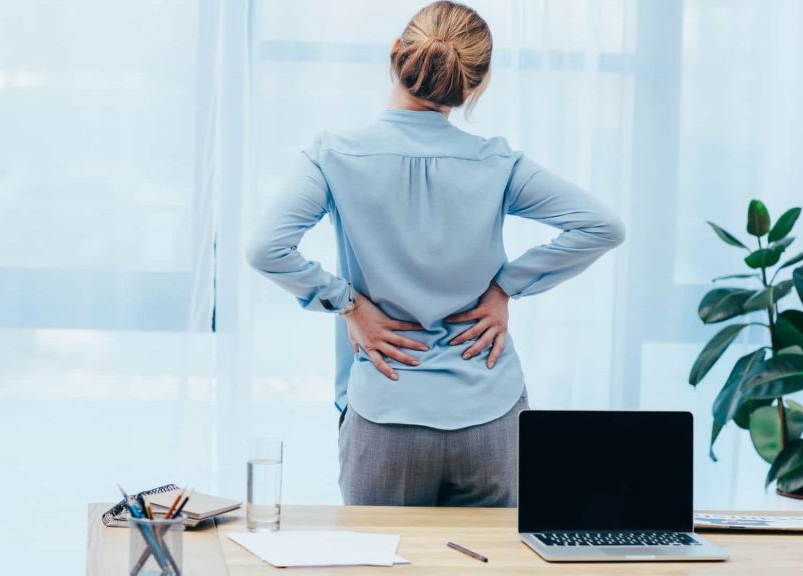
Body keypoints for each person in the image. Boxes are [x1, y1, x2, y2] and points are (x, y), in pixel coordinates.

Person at [246, 0, 624, 507]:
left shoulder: (334, 156)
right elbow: (602, 226)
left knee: (383, 552)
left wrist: (349, 304)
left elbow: (266, 249)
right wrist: (505, 288)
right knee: (490, 553)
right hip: (491, 413)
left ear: (396, 52)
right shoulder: (497, 163)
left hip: (386, 409)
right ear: (476, 82)